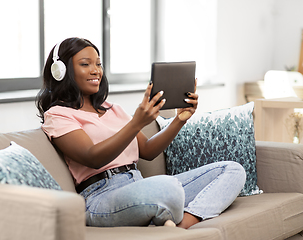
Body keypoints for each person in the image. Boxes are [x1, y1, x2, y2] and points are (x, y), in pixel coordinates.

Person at [36, 37, 246, 229]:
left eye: (98, 64)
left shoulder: (112, 108)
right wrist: (136, 123)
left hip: (139, 184)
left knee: (232, 170)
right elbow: (93, 157)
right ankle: (167, 215)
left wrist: (179, 121)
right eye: (85, 64)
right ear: (61, 71)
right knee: (168, 187)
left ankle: (183, 227)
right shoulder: (58, 115)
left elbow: (147, 150)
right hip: (100, 197)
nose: (96, 71)